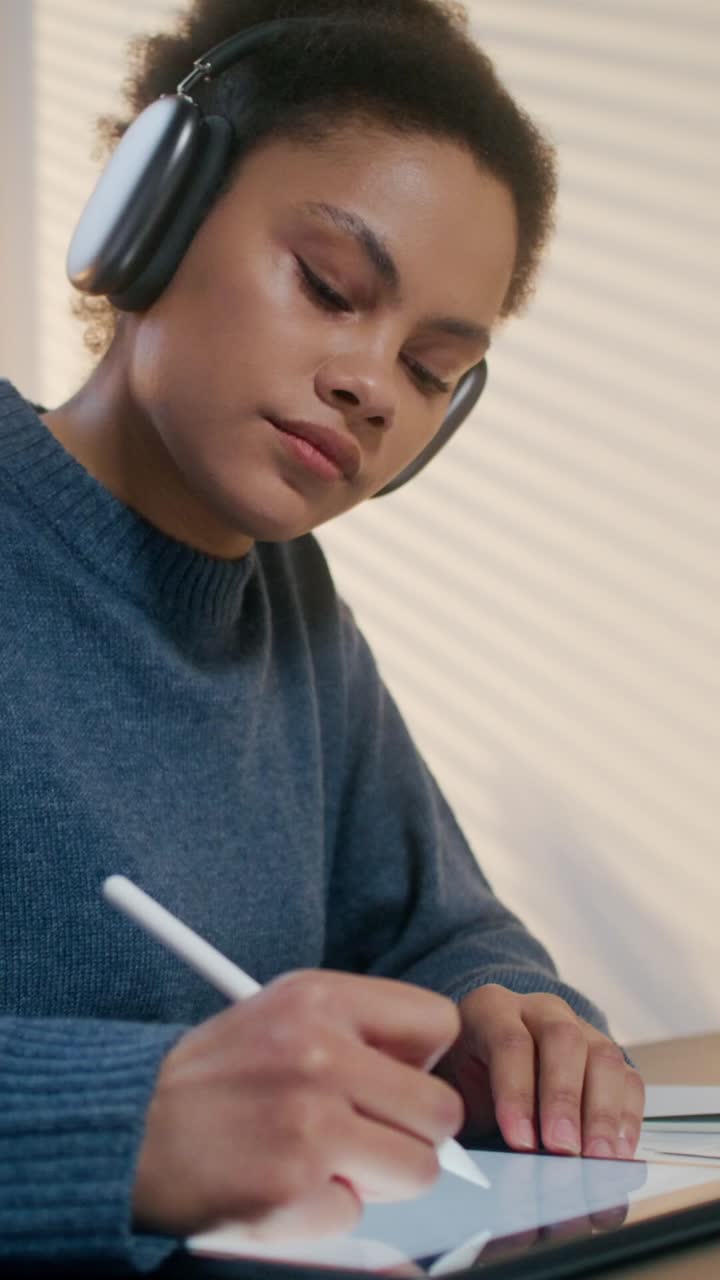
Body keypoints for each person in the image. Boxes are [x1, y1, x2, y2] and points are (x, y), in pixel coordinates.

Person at [0, 0, 645, 1270]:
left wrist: (517, 1019)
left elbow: (438, 923)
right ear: (152, 211)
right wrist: (119, 1121)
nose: (369, 387)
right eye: (332, 287)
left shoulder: (292, 610)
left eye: (429, 370)